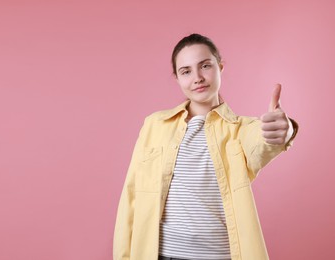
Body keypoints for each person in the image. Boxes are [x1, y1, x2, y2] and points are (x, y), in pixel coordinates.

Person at [113, 33, 298, 260]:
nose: (197, 77)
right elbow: (131, 195)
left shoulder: (241, 129)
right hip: (161, 255)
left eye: (205, 66)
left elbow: (262, 143)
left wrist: (284, 129)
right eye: (186, 71)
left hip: (219, 256)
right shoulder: (154, 125)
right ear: (177, 79)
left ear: (220, 67)